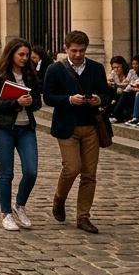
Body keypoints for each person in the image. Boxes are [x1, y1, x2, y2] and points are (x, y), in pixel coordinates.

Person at [42, 30, 109, 233]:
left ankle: (83, 216)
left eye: (81, 51)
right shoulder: (55, 69)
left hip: (91, 126)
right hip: (67, 126)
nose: (78, 55)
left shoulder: (96, 68)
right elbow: (48, 97)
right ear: (66, 48)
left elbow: (106, 93)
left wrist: (99, 99)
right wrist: (69, 99)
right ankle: (59, 198)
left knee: (89, 174)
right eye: (74, 51)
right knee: (72, 167)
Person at [0, 38, 42, 231]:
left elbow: (38, 102)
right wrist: (16, 103)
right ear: (11, 55)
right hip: (3, 129)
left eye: (27, 55)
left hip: (26, 128)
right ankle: (6, 213)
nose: (25, 58)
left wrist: (30, 102)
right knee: (6, 173)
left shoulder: (31, 75)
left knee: (31, 171)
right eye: (21, 55)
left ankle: (20, 205)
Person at [108, 55, 139, 122]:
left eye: (118, 67)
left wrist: (117, 85)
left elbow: (130, 86)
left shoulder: (131, 72)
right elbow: (108, 81)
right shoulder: (113, 73)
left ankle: (114, 114)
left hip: (129, 97)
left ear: (123, 66)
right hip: (118, 97)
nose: (116, 69)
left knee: (125, 93)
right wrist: (109, 82)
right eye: (114, 67)